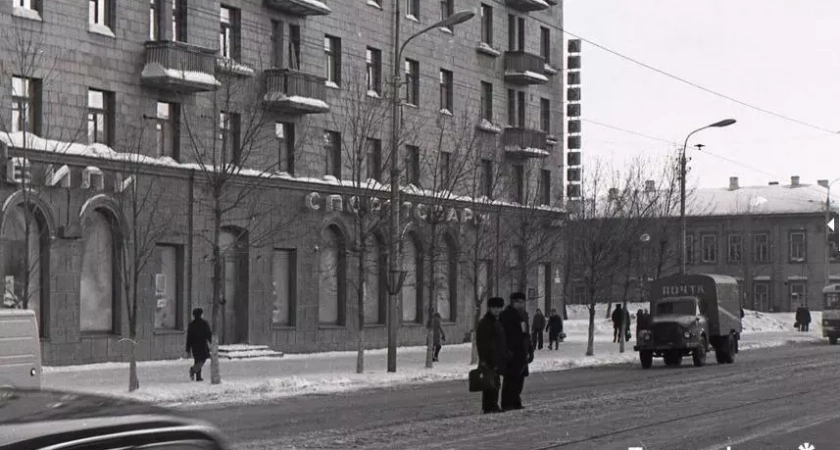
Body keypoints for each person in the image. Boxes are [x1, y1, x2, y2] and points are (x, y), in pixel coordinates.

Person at [499, 292, 533, 411]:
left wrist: (530, 349)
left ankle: (516, 401)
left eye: (522, 302)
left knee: (519, 378)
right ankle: (507, 403)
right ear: (513, 302)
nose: (521, 304)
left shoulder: (523, 315)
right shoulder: (506, 315)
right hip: (512, 352)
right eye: (518, 302)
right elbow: (503, 335)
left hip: (522, 351)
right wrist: (507, 350)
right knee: (510, 378)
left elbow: (526, 334)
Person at [476, 296, 508, 414]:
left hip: (496, 357)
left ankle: (492, 405)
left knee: (494, 382)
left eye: (499, 308)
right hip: (490, 357)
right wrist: (484, 359)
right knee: (490, 382)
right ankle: (490, 406)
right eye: (494, 308)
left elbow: (501, 340)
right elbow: (482, 343)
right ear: (490, 308)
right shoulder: (486, 323)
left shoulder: (496, 321)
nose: (497, 310)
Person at [185, 307, 212, 382]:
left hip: (194, 345)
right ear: (201, 314)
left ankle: (198, 376)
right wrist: (212, 342)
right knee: (203, 358)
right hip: (202, 344)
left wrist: (188, 348)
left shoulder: (191, 324)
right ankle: (193, 370)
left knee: (197, 359)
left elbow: (189, 337)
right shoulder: (204, 323)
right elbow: (208, 334)